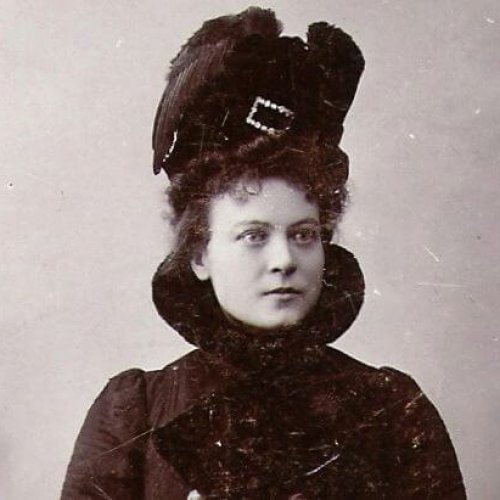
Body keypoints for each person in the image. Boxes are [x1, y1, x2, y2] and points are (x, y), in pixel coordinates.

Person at [61, 7, 466, 499]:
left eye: (304, 234)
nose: (285, 260)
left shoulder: (393, 409)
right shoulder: (136, 413)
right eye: (253, 235)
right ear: (199, 255)